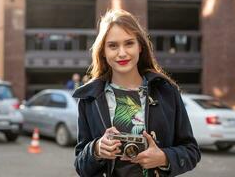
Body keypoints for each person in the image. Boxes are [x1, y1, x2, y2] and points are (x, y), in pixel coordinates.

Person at [72, 9, 200, 177]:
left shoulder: (167, 92)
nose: (122, 53)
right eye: (113, 46)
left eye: (129, 43)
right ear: (103, 51)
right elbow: (80, 166)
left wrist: (163, 157)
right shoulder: (89, 98)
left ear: (140, 46)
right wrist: (96, 149)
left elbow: (191, 151)